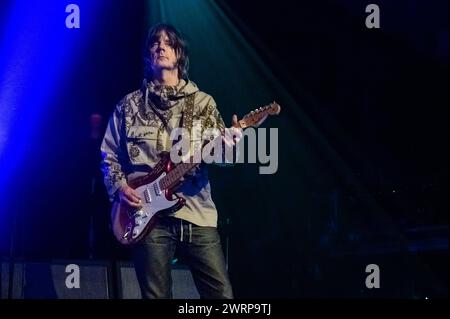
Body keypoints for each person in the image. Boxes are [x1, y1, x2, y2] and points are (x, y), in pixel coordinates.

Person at [100, 23, 241, 299]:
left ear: (180, 55)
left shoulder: (203, 104)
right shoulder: (128, 106)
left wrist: (230, 144)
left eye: (168, 43)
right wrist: (119, 188)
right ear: (147, 55)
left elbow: (224, 158)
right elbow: (109, 154)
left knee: (222, 296)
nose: (160, 46)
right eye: (155, 43)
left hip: (196, 213)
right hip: (148, 217)